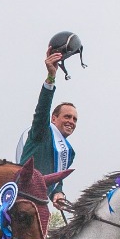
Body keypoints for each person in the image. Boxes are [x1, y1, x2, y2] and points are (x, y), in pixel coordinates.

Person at [17, 39, 77, 213]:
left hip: (40, 206)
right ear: (53, 118)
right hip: (21, 200)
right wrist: (51, 77)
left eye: (74, 119)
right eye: (67, 117)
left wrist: (58, 194)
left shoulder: (69, 152)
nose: (71, 122)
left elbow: (56, 179)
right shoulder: (41, 132)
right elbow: (41, 109)